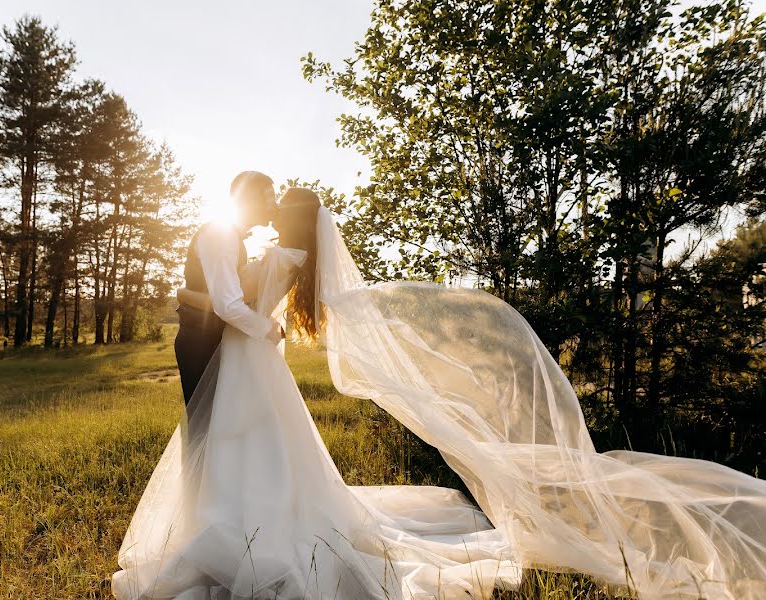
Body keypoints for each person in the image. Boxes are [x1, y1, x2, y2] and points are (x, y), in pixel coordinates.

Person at [113, 188, 766, 600]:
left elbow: (239, 306)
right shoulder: (287, 254)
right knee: (254, 452)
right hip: (251, 361)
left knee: (246, 449)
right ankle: (235, 524)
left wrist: (264, 323)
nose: (275, 203)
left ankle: (240, 530)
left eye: (281, 201)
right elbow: (242, 305)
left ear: (294, 218)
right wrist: (263, 324)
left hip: (249, 357)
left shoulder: (282, 255)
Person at [173, 171, 284, 406]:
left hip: (219, 338)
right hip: (202, 343)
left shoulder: (231, 236)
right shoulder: (220, 235)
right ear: (253, 200)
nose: (276, 204)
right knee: (207, 428)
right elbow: (228, 305)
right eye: (271, 196)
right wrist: (267, 329)